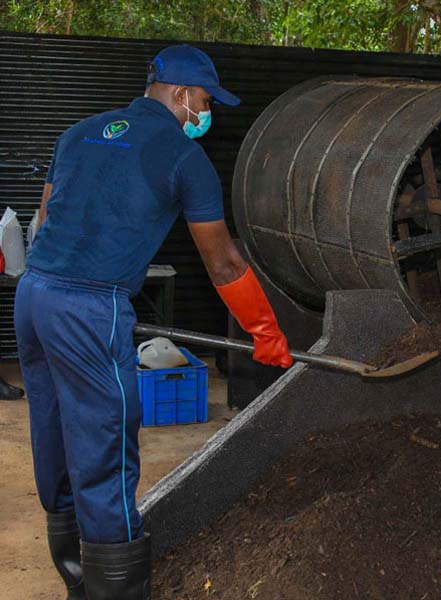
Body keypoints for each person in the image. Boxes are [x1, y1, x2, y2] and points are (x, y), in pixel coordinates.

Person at [14, 44, 293, 599]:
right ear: (183, 94)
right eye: (206, 101)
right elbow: (224, 262)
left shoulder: (78, 133)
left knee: (55, 436)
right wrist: (266, 332)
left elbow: (46, 217)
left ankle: (78, 582)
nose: (206, 112)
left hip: (34, 295)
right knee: (108, 450)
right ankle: (119, 591)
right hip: (89, 309)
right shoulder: (183, 158)